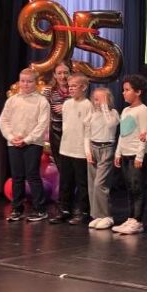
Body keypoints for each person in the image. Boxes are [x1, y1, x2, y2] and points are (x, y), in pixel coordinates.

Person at [0, 68, 50, 222]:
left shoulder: (41, 101)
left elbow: (42, 124)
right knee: (17, 177)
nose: (25, 84)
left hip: (33, 143)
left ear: (36, 82)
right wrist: (11, 137)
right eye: (23, 81)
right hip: (13, 142)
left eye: (29, 81)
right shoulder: (12, 100)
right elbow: (4, 120)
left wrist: (27, 139)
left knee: (33, 175)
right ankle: (17, 209)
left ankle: (40, 209)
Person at [50, 74, 92, 225]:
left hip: (80, 151)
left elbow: (88, 129)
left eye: (74, 86)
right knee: (65, 182)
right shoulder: (67, 104)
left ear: (84, 87)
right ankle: (65, 210)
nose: (71, 89)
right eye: (69, 86)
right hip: (66, 149)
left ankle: (83, 211)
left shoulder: (88, 105)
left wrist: (87, 150)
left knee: (82, 183)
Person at [113, 74, 147, 235]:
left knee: (137, 188)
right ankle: (131, 218)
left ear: (138, 92)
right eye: (124, 90)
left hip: (137, 154)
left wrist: (139, 156)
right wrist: (118, 153)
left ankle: (137, 220)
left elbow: (144, 134)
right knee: (130, 188)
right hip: (126, 154)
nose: (124, 93)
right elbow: (122, 134)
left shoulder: (143, 110)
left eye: (127, 90)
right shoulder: (125, 110)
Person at [86, 87, 119, 230]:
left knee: (100, 184)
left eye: (101, 99)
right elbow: (86, 133)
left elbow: (111, 124)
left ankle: (107, 216)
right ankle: (97, 215)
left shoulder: (113, 113)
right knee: (92, 184)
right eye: (96, 99)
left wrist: (105, 106)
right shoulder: (92, 114)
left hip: (106, 148)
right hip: (93, 148)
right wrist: (87, 151)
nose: (98, 102)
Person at [42, 62, 71, 219]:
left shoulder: (74, 89)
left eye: (65, 72)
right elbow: (42, 109)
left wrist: (66, 107)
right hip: (56, 132)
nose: (62, 76)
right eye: (59, 73)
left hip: (72, 132)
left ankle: (70, 204)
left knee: (71, 169)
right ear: (54, 75)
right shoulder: (49, 91)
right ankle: (63, 205)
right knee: (61, 168)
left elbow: (82, 106)